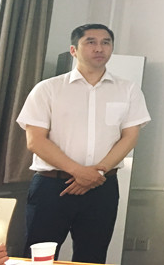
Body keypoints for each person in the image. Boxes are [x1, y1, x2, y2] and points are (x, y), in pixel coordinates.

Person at [16, 23, 151, 264]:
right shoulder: (47, 89)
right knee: (40, 257)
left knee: (93, 257)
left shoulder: (128, 90)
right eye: (90, 42)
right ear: (73, 50)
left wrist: (97, 173)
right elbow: (35, 141)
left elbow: (130, 137)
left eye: (105, 42)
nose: (99, 48)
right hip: (52, 186)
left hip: (102, 187)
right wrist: (79, 172)